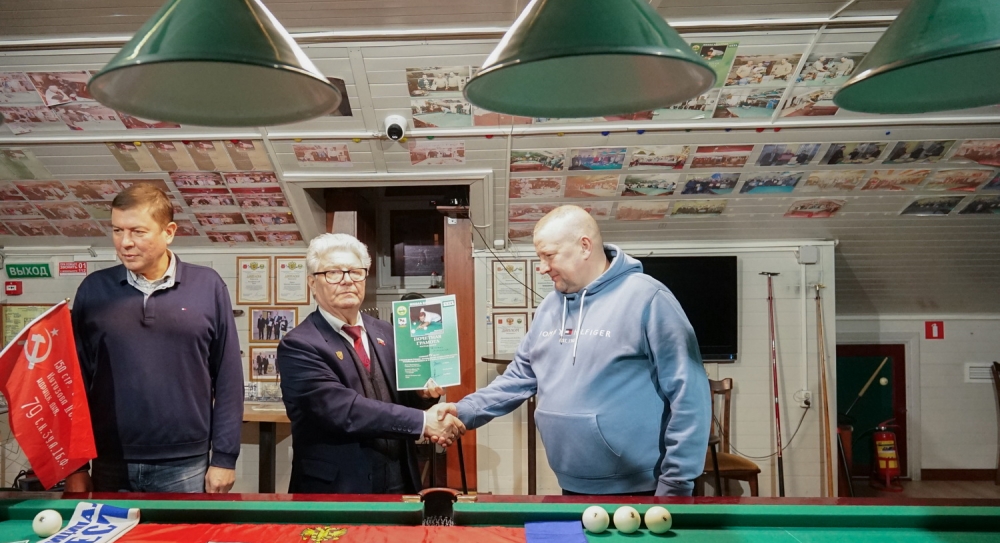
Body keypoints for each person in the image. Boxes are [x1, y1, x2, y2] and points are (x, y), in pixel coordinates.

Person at [453, 205, 711, 496]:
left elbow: (690, 394)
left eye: (549, 255)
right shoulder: (549, 307)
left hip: (642, 490)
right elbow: (519, 378)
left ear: (585, 246)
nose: (542, 267)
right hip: (571, 484)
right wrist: (462, 411)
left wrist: (676, 484)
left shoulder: (649, 298)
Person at [65, 183, 243, 493]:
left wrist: (225, 458)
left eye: (138, 232)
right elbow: (73, 382)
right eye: (117, 231)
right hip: (110, 461)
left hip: (186, 464)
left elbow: (228, 378)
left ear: (169, 232)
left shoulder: (208, 286)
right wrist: (76, 466)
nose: (125, 243)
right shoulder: (94, 290)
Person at [277, 233, 465, 494]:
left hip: (400, 482)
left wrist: (421, 395)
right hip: (337, 489)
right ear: (312, 283)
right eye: (333, 272)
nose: (347, 280)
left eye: (356, 272)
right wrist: (423, 422)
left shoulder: (386, 331)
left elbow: (400, 399)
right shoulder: (299, 345)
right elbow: (345, 411)